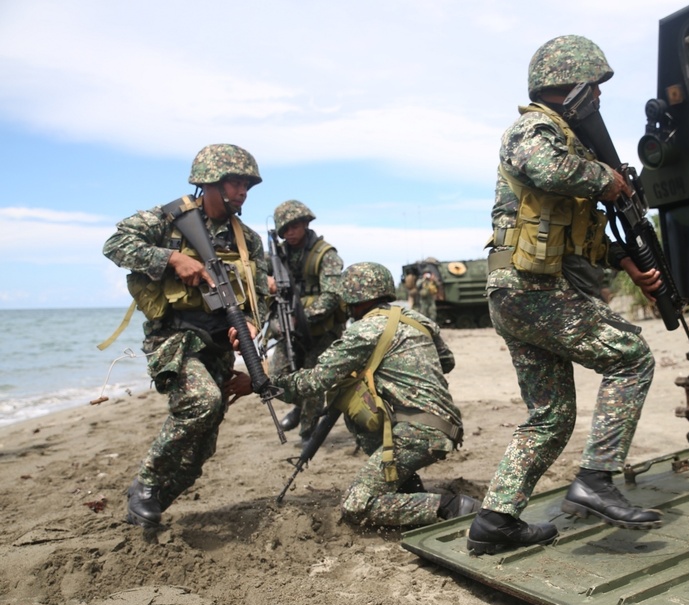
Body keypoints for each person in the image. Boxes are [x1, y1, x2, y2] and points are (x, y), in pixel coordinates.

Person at [467, 35, 664, 555]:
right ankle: (596, 481)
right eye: (595, 86)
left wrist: (627, 261)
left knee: (551, 415)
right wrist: (610, 180)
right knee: (632, 358)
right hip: (530, 289)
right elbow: (547, 169)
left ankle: (495, 521)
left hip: (520, 292)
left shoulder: (568, 143)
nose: (599, 97)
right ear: (572, 86)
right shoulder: (533, 129)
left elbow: (575, 237)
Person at [103, 143, 270, 528]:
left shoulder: (249, 241)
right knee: (202, 403)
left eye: (248, 184)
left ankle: (150, 506)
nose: (243, 191)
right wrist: (172, 259)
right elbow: (115, 244)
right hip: (174, 340)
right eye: (235, 183)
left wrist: (248, 325)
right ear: (209, 182)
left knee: (202, 443)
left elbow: (256, 297)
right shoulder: (166, 220)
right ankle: (144, 484)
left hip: (216, 347)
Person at [270, 262, 479, 527]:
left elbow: (315, 381)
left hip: (416, 432)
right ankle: (406, 490)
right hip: (447, 425)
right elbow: (446, 362)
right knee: (364, 409)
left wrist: (268, 384)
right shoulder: (419, 320)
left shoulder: (363, 331)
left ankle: (453, 507)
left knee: (357, 505)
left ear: (351, 301)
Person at [268, 199, 346, 441]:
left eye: (294, 227)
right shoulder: (277, 256)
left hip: (322, 329)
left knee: (312, 379)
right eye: (284, 230)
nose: (289, 233)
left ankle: (308, 432)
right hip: (289, 328)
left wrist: (302, 319)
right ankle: (301, 408)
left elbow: (332, 296)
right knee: (275, 380)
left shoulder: (326, 254)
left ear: (305, 223)